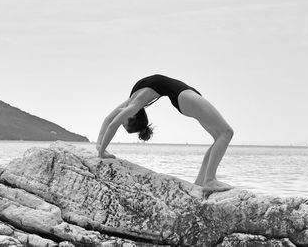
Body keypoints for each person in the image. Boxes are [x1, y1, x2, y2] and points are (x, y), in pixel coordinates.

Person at [96, 74, 234, 192]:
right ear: (132, 115)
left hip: (186, 96)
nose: (120, 120)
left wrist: (99, 145)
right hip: (185, 97)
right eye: (123, 123)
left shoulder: (131, 101)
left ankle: (200, 183)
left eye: (122, 123)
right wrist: (102, 151)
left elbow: (109, 120)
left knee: (219, 137)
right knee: (227, 133)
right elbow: (113, 124)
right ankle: (210, 180)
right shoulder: (134, 106)